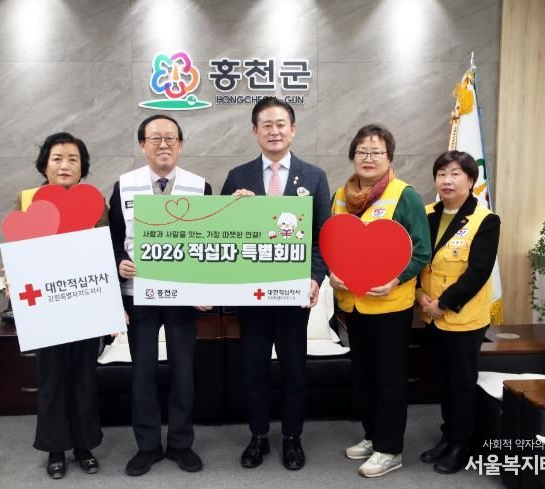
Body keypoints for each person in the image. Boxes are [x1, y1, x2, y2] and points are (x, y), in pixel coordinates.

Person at [221, 97, 330, 471]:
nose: (274, 131)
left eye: (281, 124)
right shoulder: (238, 176)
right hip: (251, 294)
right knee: (253, 370)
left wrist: (315, 278)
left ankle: (292, 438)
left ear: (293, 129)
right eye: (266, 125)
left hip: (292, 294)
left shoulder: (313, 177)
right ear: (255, 131)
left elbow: (322, 237)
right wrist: (233, 209)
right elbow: (224, 235)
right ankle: (258, 437)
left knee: (294, 370)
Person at [108, 114, 211, 476]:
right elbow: (113, 240)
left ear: (180, 145)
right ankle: (148, 446)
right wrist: (119, 262)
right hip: (139, 295)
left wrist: (208, 289)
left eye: (170, 138)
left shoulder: (200, 186)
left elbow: (210, 241)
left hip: (183, 296)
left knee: (184, 372)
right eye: (155, 138)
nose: (163, 144)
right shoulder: (124, 186)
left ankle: (181, 443)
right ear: (142, 145)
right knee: (143, 373)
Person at [329, 124, 430, 478]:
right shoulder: (340, 196)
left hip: (390, 306)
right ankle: (372, 436)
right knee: (365, 376)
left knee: (389, 379)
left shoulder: (405, 196)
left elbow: (421, 251)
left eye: (376, 152)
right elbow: (333, 243)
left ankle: (390, 450)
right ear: (352, 156)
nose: (368, 158)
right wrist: (333, 272)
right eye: (362, 152)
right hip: (353, 305)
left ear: (389, 157)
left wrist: (395, 280)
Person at [20, 132, 108, 480]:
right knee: (52, 379)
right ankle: (55, 448)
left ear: (82, 166)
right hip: (46, 307)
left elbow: (103, 251)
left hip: (85, 303)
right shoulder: (28, 201)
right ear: (44, 164)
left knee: (84, 377)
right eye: (57, 158)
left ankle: (84, 446)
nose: (65, 165)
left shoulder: (95, 201)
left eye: (73, 159)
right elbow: (20, 250)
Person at [416, 150, 500, 474]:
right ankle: (447, 436)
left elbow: (478, 272)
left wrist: (443, 303)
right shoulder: (426, 214)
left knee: (461, 383)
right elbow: (416, 260)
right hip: (430, 314)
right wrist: (421, 297)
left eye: (454, 174)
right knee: (442, 380)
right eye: (441, 174)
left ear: (470, 179)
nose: (446, 180)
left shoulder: (485, 220)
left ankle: (461, 445)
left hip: (463, 318)